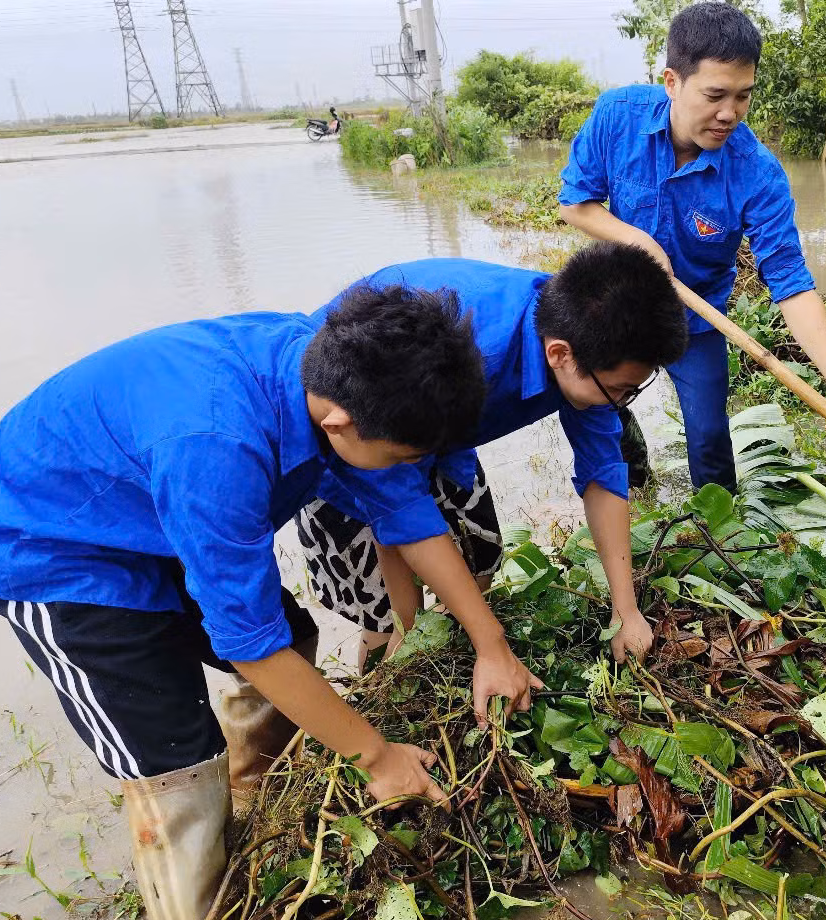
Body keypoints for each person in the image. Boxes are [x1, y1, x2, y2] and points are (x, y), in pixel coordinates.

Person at [0, 288, 522, 920]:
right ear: (343, 424)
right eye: (404, 455)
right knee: (175, 772)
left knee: (298, 640)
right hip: (59, 551)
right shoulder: (218, 443)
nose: (408, 471)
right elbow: (251, 645)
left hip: (153, 509)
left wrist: (489, 644)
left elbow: (406, 515)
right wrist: (376, 757)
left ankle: (258, 806)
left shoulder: (333, 371)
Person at [294, 242, 689, 678]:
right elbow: (394, 502)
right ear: (559, 354)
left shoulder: (585, 336)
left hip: (441, 433)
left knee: (478, 562)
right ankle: (386, 683)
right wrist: (411, 635)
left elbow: (602, 474)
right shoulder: (478, 354)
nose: (621, 402)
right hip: (352, 432)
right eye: (618, 390)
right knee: (383, 616)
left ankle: (457, 659)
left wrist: (626, 612)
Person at [558, 1, 826, 492]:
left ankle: (721, 538)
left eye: (743, 96)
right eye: (714, 95)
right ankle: (632, 475)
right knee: (598, 401)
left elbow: (790, 284)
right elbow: (575, 204)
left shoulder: (757, 173)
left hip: (698, 321)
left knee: (708, 437)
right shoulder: (616, 117)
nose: (729, 113)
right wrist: (638, 241)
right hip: (617, 305)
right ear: (672, 82)